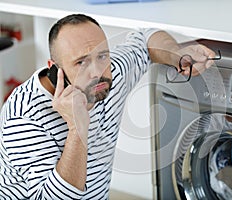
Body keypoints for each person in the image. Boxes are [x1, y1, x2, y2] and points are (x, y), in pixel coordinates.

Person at [0, 14, 215, 199]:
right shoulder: (24, 118)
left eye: (102, 55)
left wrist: (176, 53)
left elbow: (145, 38)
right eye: (81, 62)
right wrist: (77, 128)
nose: (97, 71)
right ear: (55, 71)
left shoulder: (110, 74)